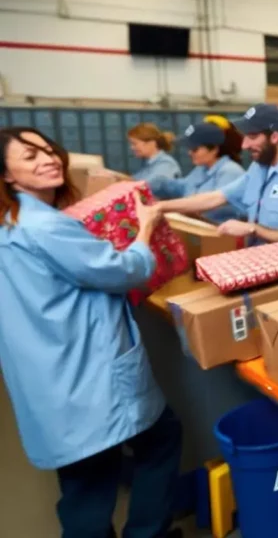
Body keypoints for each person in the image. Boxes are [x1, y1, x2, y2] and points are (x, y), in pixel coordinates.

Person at [0, 127, 182, 538]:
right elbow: (125, 271)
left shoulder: (11, 223)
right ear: (6, 174)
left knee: (83, 479)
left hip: (46, 376)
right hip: (86, 374)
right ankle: (147, 532)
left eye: (48, 150)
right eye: (29, 156)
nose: (48, 159)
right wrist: (144, 231)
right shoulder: (44, 227)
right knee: (141, 451)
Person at [152, 103, 278, 244]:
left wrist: (253, 229)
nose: (244, 145)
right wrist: (160, 207)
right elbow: (217, 197)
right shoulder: (259, 169)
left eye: (252, 137)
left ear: (274, 137)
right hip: (260, 266)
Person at [147, 119, 246, 224]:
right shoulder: (201, 169)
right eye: (189, 148)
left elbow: (209, 205)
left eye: (195, 149)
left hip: (222, 236)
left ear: (214, 149)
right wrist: (147, 184)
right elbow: (182, 187)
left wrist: (162, 206)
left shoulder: (230, 171)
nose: (190, 153)